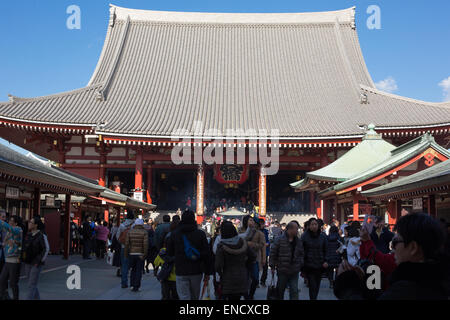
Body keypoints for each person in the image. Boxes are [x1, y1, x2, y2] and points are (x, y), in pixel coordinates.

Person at [334, 213, 448, 300]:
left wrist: (347, 285)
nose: (393, 248)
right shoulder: (437, 283)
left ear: (413, 248)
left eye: (396, 243)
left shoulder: (405, 291)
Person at [167, 210, 212, 300]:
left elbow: (169, 252)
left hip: (180, 269)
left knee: (184, 296)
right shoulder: (200, 234)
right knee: (195, 296)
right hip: (197, 269)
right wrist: (207, 272)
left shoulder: (175, 234)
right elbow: (207, 254)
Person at [215, 221, 256, 300]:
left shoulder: (221, 247)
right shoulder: (242, 243)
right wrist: (246, 266)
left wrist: (221, 274)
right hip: (242, 276)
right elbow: (253, 256)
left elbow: (217, 266)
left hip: (227, 278)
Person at [269, 221, 304, 300]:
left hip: (294, 270)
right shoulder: (279, 239)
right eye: (296, 229)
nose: (297, 230)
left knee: (294, 290)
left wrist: (300, 264)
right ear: (290, 229)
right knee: (280, 290)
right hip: (282, 270)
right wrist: (272, 266)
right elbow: (273, 253)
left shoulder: (298, 241)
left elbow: (301, 253)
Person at [239, 215, 265, 300]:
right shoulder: (239, 232)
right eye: (250, 220)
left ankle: (251, 294)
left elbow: (262, 245)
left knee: (255, 278)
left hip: (254, 258)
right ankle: (247, 296)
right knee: (244, 279)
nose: (252, 222)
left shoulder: (258, 233)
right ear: (245, 221)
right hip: (242, 258)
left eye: (253, 221)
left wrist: (263, 258)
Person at [301, 218, 328, 300]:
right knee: (312, 285)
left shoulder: (323, 236)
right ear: (309, 226)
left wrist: (326, 260)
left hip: (320, 264)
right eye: (312, 224)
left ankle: (314, 297)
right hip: (309, 265)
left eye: (315, 224)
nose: (314, 226)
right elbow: (301, 250)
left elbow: (326, 249)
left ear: (318, 225)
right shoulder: (304, 236)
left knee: (317, 284)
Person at [22, 216, 46, 300]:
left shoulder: (41, 235)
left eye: (31, 222)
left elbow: (46, 249)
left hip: (36, 263)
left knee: (31, 284)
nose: (29, 224)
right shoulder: (28, 235)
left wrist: (39, 261)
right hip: (28, 262)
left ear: (35, 225)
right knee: (31, 284)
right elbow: (25, 248)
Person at [0, 215, 23, 300]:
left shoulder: (18, 230)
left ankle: (15, 298)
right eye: (9, 220)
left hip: (14, 261)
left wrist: (1, 221)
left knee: (13, 283)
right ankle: (3, 296)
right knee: (2, 280)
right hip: (7, 260)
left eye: (11, 221)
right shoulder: (9, 232)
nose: (9, 222)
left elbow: (9, 228)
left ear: (16, 223)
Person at [124, 218, 148, 292]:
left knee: (133, 270)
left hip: (131, 253)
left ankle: (132, 284)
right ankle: (136, 286)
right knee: (139, 270)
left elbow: (127, 244)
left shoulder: (130, 232)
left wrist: (126, 254)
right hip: (140, 254)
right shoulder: (144, 232)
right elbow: (146, 244)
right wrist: (145, 254)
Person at [116, 211, 135, 288]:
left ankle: (124, 283)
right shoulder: (135, 225)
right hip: (133, 248)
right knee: (134, 266)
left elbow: (117, 236)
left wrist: (122, 243)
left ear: (126, 217)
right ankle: (133, 284)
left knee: (124, 265)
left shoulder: (122, 225)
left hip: (124, 247)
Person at [259, 218, 270, 287]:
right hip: (257, 252)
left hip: (265, 251)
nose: (262, 225)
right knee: (257, 268)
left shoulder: (266, 231)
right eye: (261, 224)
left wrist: (267, 243)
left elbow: (268, 240)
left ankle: (263, 281)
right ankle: (256, 281)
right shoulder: (255, 232)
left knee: (265, 267)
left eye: (263, 224)